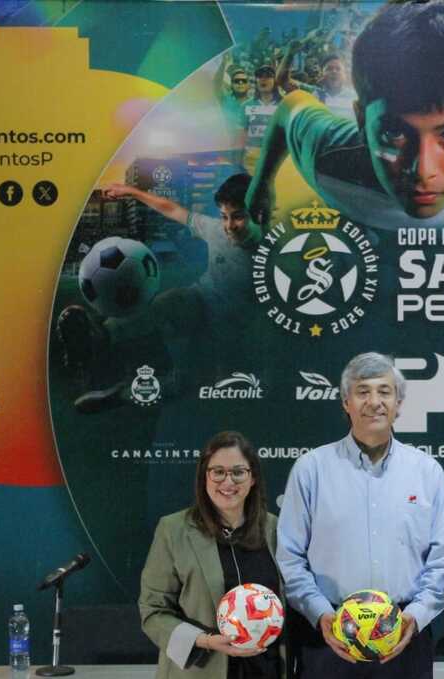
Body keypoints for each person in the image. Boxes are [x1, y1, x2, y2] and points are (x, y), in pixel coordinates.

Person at [277, 351, 444, 679]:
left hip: (403, 640)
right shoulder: (312, 469)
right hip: (328, 641)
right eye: (363, 391)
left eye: (385, 392)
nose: (374, 401)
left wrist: (414, 618)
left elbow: (442, 561)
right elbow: (291, 559)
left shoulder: (427, 471)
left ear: (399, 403)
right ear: (345, 403)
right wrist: (321, 617)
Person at [245, 0, 444, 237]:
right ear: (360, 121)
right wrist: (261, 183)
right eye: (395, 134)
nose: (422, 171)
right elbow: (292, 106)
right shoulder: (329, 155)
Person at [139, 430, 294, 679]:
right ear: (204, 477)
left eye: (238, 472)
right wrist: (206, 641)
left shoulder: (277, 529)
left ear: (253, 477)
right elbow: (152, 610)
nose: (228, 482)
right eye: (218, 472)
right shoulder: (174, 530)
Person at [56, 174, 261, 411]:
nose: (229, 226)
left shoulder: (275, 252)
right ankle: (96, 338)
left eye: (238, 217)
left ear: (258, 213)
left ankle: (119, 395)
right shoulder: (216, 230)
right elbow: (172, 209)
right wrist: (132, 192)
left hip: (230, 329)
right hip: (199, 300)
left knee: (188, 385)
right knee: (170, 302)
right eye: (224, 216)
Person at [277, 43, 357, 118]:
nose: (334, 71)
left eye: (338, 69)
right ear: (322, 74)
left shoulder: (355, 96)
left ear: (345, 75)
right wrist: (289, 54)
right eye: (329, 69)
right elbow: (283, 81)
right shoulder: (313, 93)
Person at [243, 65, 284, 171]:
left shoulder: (284, 105)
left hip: (277, 161)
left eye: (268, 76)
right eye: (259, 76)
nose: (263, 79)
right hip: (252, 162)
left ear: (275, 81)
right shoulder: (246, 105)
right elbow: (240, 136)